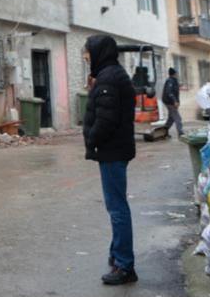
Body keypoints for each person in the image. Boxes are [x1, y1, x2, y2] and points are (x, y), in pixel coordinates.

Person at [83, 35, 138, 286]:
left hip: (112, 150)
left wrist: (92, 138)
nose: (86, 57)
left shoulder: (108, 78)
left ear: (98, 52)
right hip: (115, 149)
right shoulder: (110, 75)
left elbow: (106, 119)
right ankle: (117, 254)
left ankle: (125, 266)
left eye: (87, 52)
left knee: (117, 208)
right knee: (116, 206)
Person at [162, 67, 184, 139]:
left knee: (171, 118)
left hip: (171, 102)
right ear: (173, 74)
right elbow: (169, 92)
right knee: (177, 118)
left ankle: (163, 132)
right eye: (176, 73)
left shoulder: (174, 81)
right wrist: (174, 101)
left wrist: (177, 101)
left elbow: (175, 93)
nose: (177, 75)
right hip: (169, 102)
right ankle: (181, 133)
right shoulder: (170, 81)